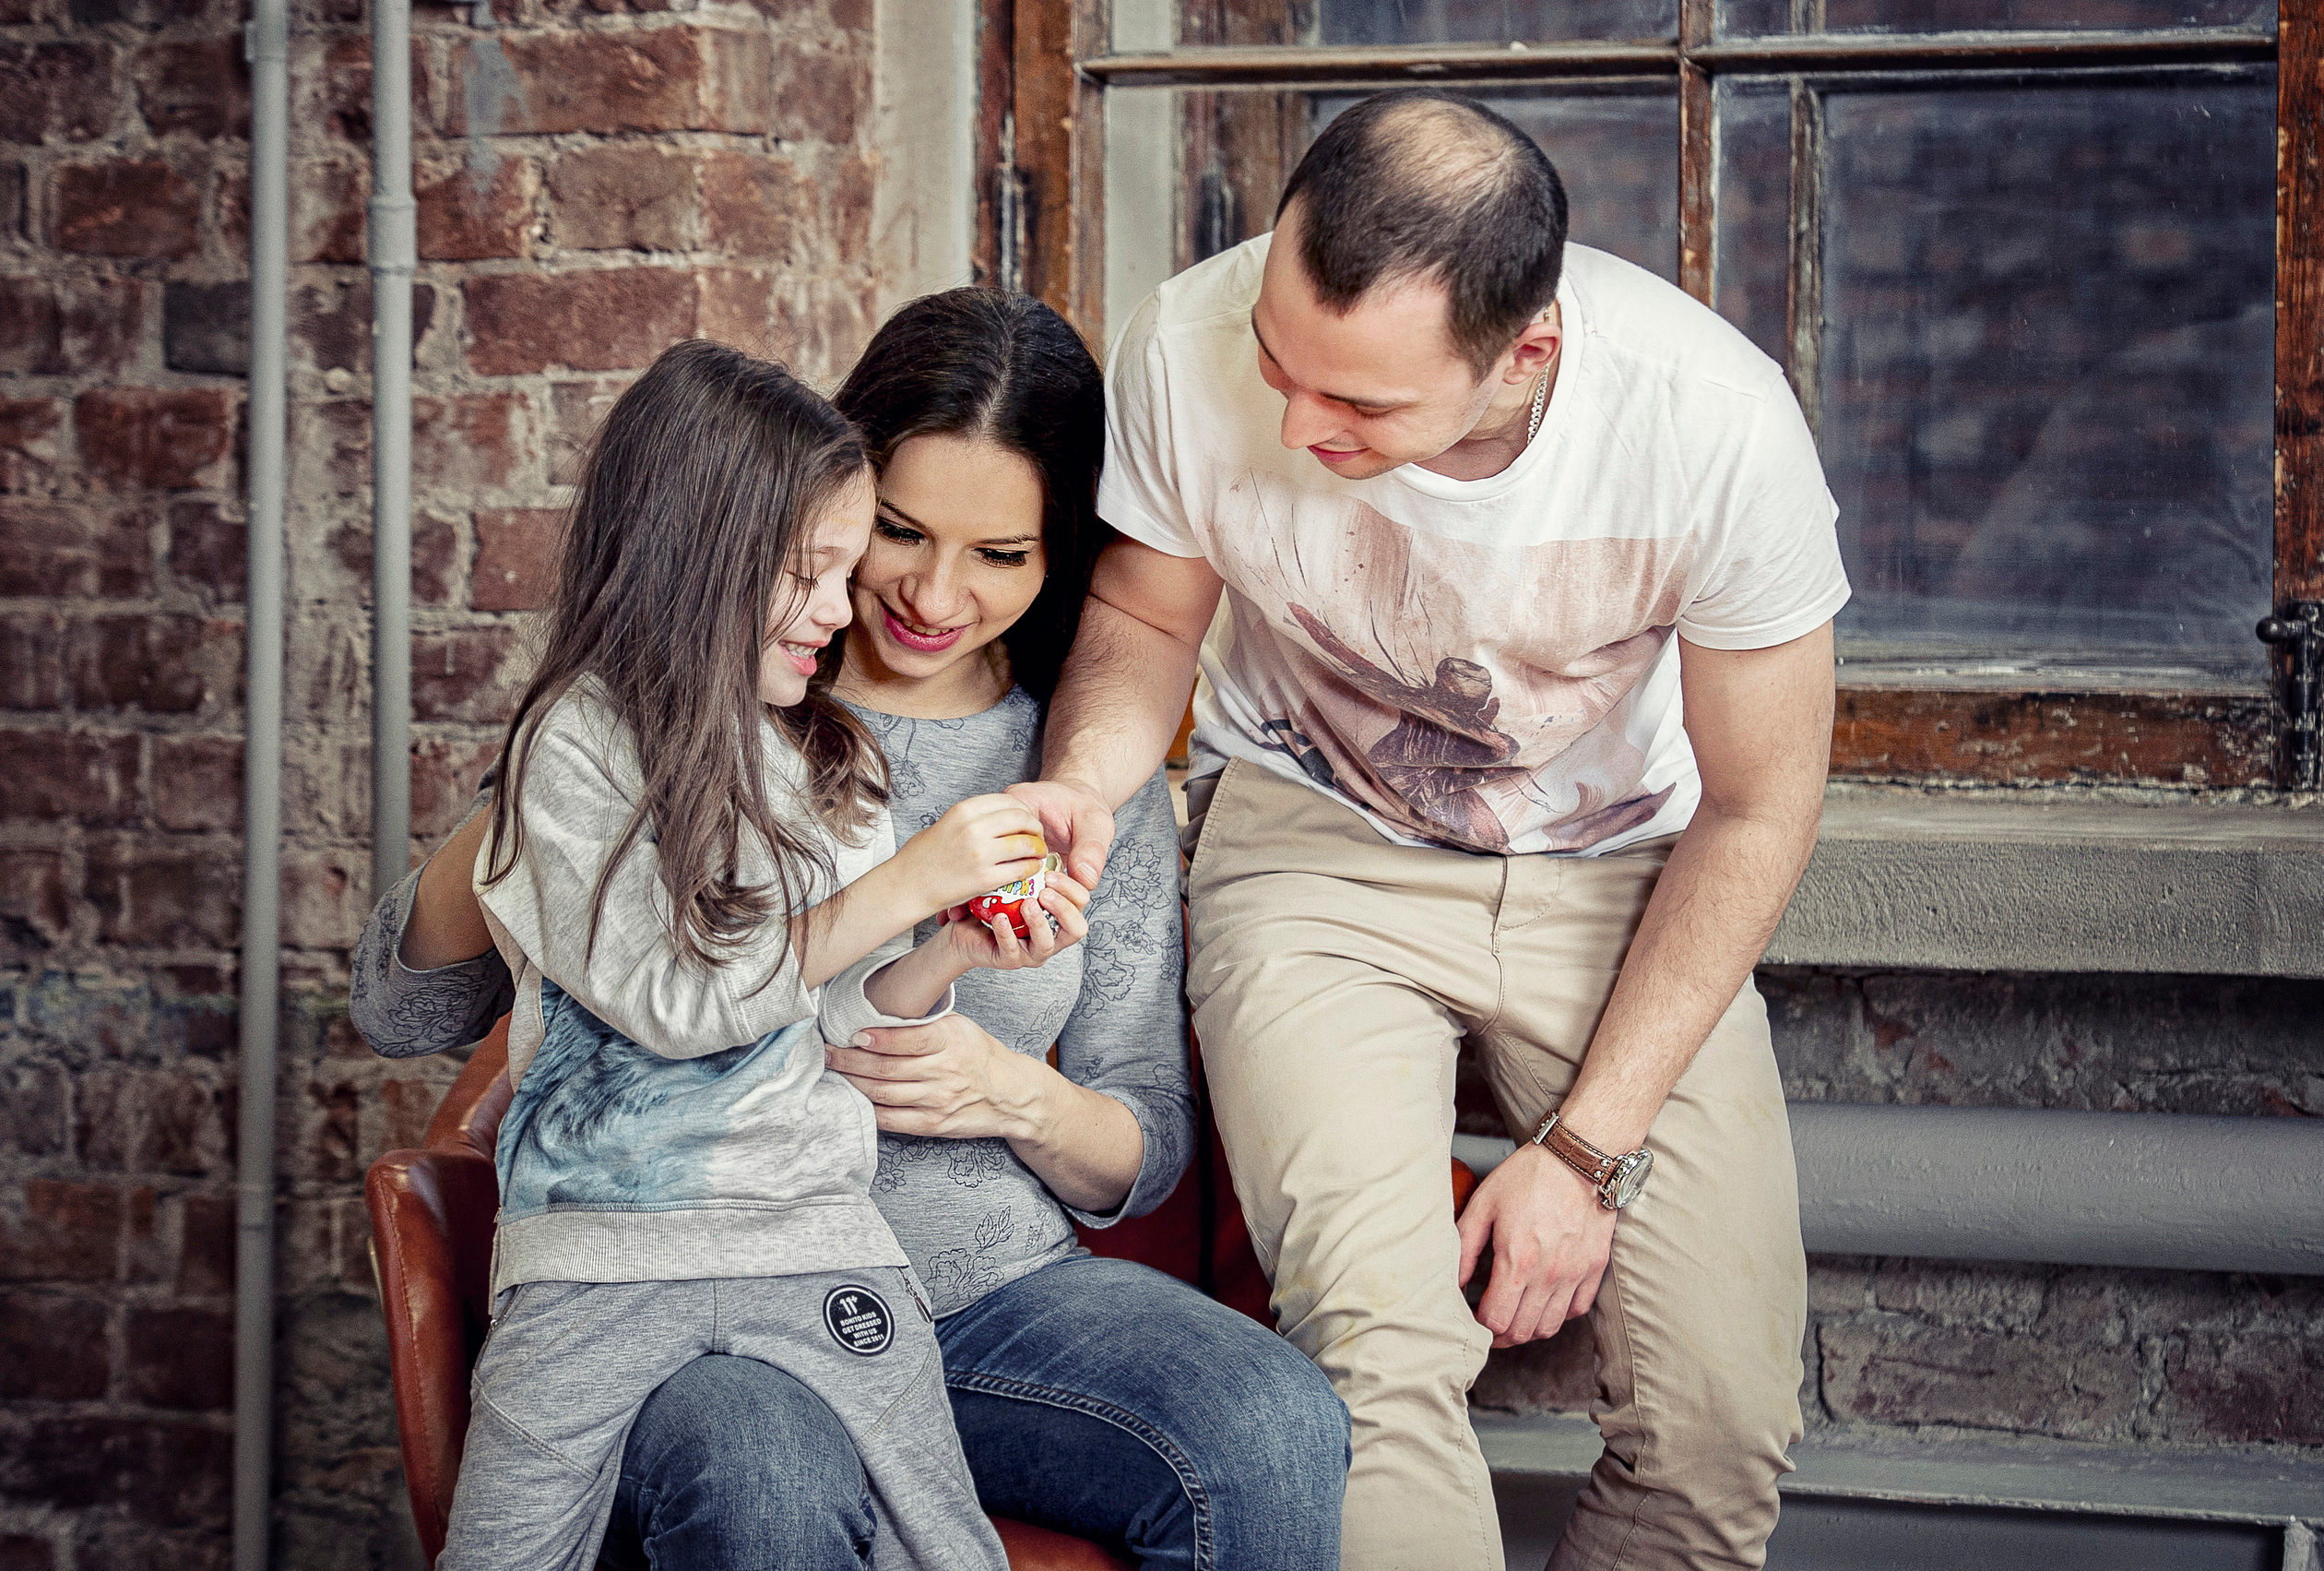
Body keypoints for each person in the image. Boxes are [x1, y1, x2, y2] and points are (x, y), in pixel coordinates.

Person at [350, 290, 1351, 1570]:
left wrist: (1013, 1094)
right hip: (687, 1297)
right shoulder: (700, 705)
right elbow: (406, 1013)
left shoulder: (1076, 779)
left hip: (990, 1299)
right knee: (767, 1458)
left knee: (1268, 1421)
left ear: (1062, 561)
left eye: (1003, 554)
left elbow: (1142, 1153)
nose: (935, 593)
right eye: (896, 530)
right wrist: (531, 797)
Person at [1007, 90, 1848, 1571]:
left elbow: (1762, 803)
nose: (1293, 424)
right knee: (1375, 1359)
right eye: (1279, 361)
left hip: (1625, 867)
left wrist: (1582, 1156)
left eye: (1363, 406)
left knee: (1719, 1417)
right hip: (1316, 843)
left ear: (1525, 353)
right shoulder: (1181, 343)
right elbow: (1145, 614)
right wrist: (1086, 775)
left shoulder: (1713, 425)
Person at [432, 339, 1088, 1571]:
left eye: (846, 571)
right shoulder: (569, 751)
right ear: (696, 555)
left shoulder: (830, 763)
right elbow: (679, 1005)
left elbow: (834, 1019)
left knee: (952, 1550)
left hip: (816, 1242)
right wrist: (908, 878)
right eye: (809, 574)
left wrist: (946, 945)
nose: (844, 614)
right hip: (591, 1262)